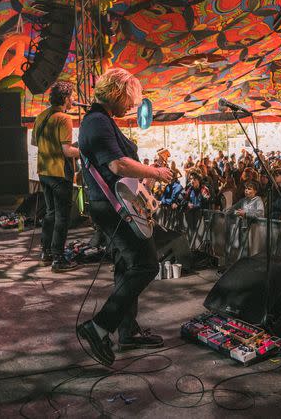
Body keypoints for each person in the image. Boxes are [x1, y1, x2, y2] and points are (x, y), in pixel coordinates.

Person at [76, 68, 173, 366]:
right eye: (130, 98)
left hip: (115, 204)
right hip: (110, 207)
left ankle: (127, 331)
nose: (132, 105)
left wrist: (146, 185)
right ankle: (99, 326)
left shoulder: (101, 121)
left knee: (127, 266)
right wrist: (156, 172)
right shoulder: (97, 122)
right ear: (117, 92)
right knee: (146, 265)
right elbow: (117, 166)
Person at [32, 81, 80, 272]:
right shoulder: (64, 119)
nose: (74, 100)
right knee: (62, 217)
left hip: (44, 172)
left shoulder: (41, 116)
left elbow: (35, 142)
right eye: (72, 97)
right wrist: (83, 150)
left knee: (50, 213)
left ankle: (46, 253)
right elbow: (67, 151)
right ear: (66, 98)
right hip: (60, 174)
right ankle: (59, 259)